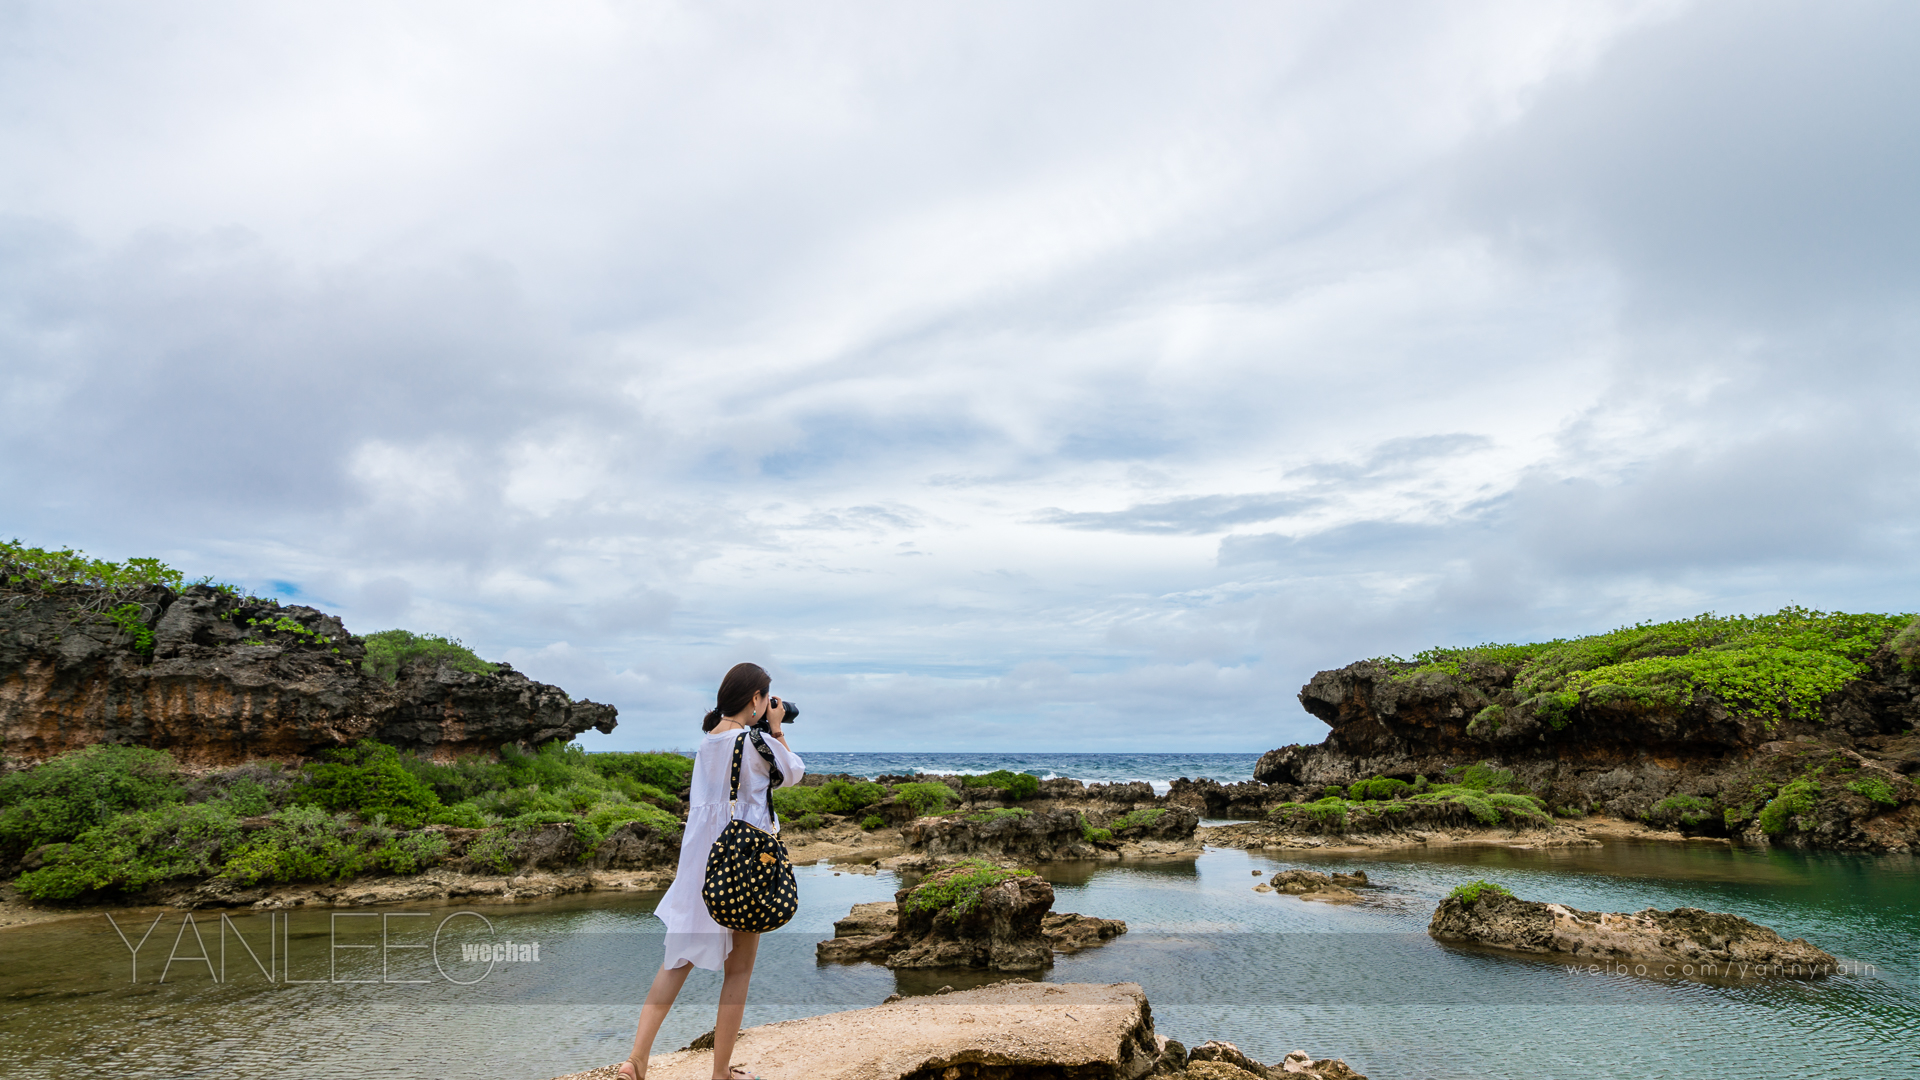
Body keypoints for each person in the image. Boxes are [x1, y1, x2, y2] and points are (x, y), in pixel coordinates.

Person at [618, 662, 803, 1080]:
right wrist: (777, 728)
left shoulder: (707, 743)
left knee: (674, 962)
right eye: (766, 698)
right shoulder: (756, 742)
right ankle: (721, 1075)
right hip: (742, 866)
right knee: (738, 972)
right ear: (756, 698)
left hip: (700, 866)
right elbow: (793, 773)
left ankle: (636, 1061)